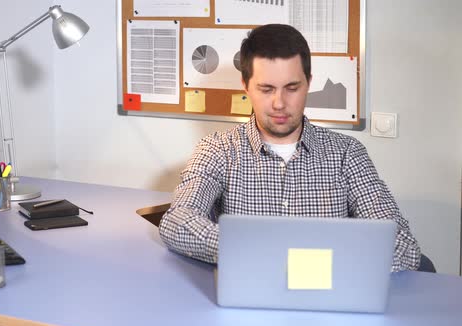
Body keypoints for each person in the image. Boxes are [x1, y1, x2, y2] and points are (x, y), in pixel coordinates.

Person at [159, 24, 420, 272]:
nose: (279, 103)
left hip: (328, 298)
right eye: (266, 89)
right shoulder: (218, 149)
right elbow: (177, 221)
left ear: (308, 82)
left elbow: (402, 245)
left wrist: (311, 265)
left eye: (292, 88)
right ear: (246, 87)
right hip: (249, 299)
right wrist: (261, 253)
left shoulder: (347, 154)